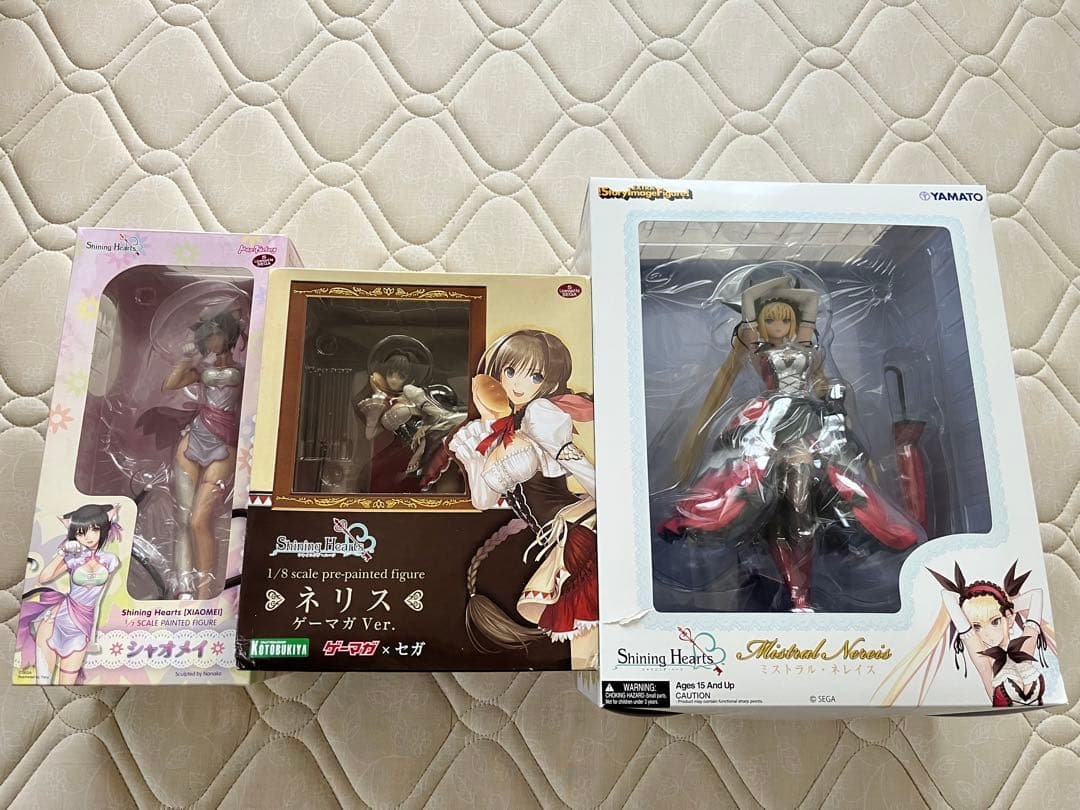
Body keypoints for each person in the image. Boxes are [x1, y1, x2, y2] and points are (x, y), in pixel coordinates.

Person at [661, 275, 924, 611]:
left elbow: (822, 381)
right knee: (767, 498)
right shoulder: (755, 348)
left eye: (785, 319)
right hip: (769, 419)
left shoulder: (808, 349)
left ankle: (803, 592)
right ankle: (791, 590)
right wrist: (693, 440)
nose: (778, 326)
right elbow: (722, 382)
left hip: (807, 418)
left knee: (811, 502)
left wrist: (842, 423)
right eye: (770, 320)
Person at [448, 330, 598, 668]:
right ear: (496, 372)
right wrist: (473, 458)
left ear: (549, 382)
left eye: (535, 376)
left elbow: (573, 460)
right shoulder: (490, 432)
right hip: (558, 529)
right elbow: (483, 500)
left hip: (573, 522)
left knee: (590, 613)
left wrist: (613, 501)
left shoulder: (541, 414)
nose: (518, 385)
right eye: (511, 371)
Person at [17, 505, 121, 684]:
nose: (88, 537)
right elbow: (44, 577)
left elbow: (99, 599)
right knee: (43, 682)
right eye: (81, 533)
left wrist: (92, 635)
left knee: (67, 685)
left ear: (103, 529)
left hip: (82, 625)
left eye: (94, 529)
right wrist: (62, 553)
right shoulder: (73, 559)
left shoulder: (110, 560)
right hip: (56, 620)